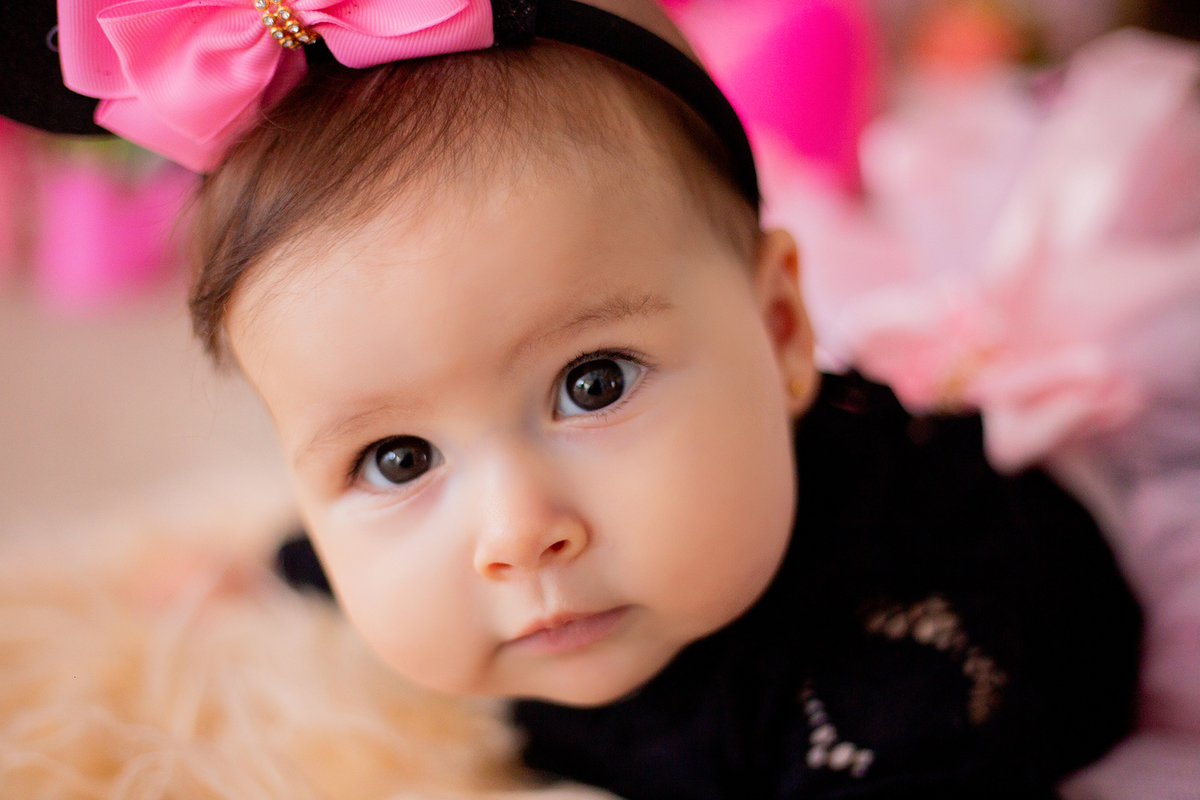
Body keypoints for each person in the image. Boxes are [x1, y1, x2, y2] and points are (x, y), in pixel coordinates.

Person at [5, 1, 1141, 797]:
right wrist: (268, 567)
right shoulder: (487, 577)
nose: (515, 532)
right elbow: (335, 555)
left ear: (782, 329)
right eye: (397, 458)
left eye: (592, 384)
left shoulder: (901, 686)